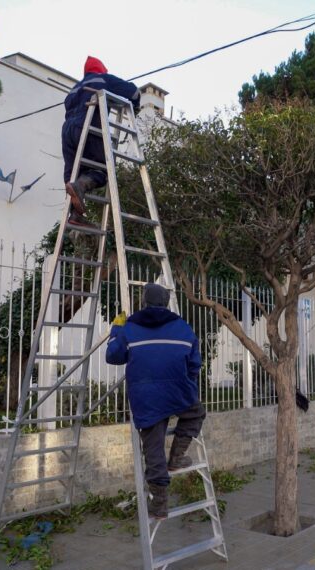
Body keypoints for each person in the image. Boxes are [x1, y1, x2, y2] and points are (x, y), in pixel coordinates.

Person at [105, 283, 204, 519]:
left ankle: (159, 504)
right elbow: (194, 365)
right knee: (196, 413)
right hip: (178, 392)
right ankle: (177, 457)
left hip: (146, 397)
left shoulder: (130, 327)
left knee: (153, 448)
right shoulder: (183, 327)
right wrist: (183, 382)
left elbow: (113, 356)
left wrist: (116, 329)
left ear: (144, 302)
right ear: (167, 303)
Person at [62, 56, 141, 228]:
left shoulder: (74, 89)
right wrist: (136, 106)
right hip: (88, 125)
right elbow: (134, 92)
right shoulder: (103, 79)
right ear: (101, 70)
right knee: (102, 171)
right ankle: (80, 186)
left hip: (67, 131)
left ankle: (75, 214)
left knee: (72, 175)